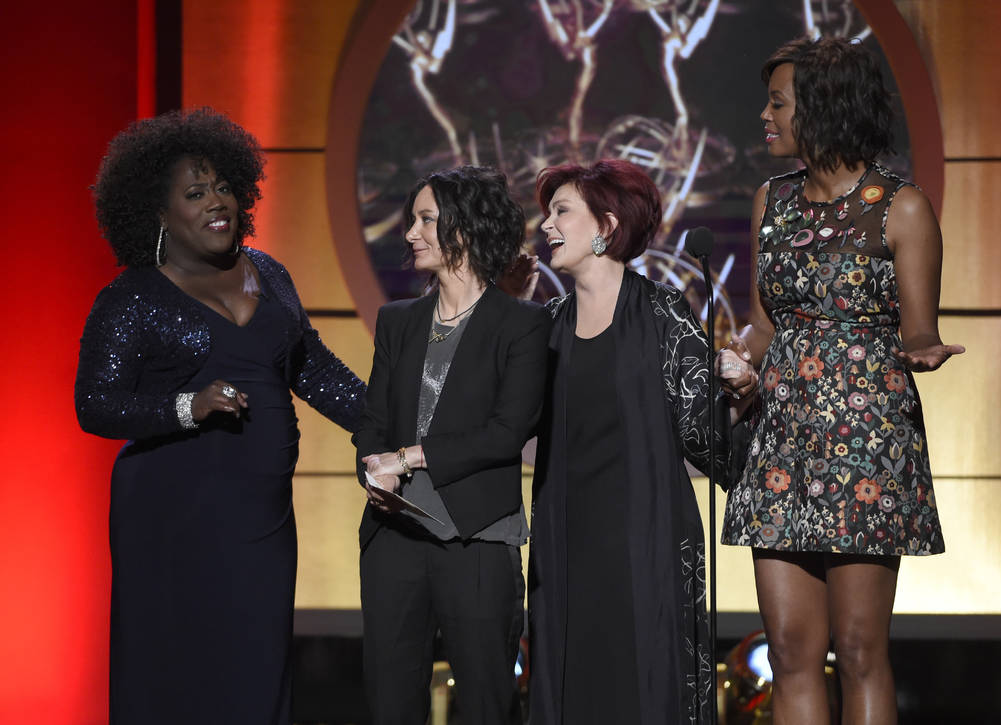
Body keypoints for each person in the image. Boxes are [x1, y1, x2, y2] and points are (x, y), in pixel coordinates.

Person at [75, 108, 366, 724]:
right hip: (171, 518)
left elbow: (313, 369)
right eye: (195, 193)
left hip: (260, 518)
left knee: (256, 670)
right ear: (158, 214)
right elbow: (95, 404)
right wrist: (189, 405)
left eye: (224, 187)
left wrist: (388, 421)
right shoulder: (132, 297)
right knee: (178, 675)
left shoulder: (271, 273)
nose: (217, 202)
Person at [717, 37, 965, 725]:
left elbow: (918, 328)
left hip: (865, 444)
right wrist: (737, 358)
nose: (765, 117)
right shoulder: (771, 201)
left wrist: (924, 351)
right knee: (791, 651)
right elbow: (764, 324)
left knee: (858, 649)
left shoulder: (900, 207)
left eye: (777, 103)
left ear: (823, 107)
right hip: (782, 443)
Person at [527, 159, 741, 725]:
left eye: (561, 211)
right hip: (565, 545)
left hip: (648, 543)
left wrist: (741, 393)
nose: (546, 224)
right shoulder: (546, 323)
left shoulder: (664, 313)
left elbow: (706, 436)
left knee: (646, 688)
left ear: (607, 225)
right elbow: (507, 423)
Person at [352, 166, 551, 725]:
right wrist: (373, 471)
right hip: (394, 535)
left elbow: (507, 432)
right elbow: (373, 422)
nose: (410, 233)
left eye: (426, 220)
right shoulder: (397, 320)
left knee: (488, 702)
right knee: (390, 703)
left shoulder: (522, 324)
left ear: (464, 228)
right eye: (412, 220)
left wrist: (409, 457)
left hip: (477, 538)